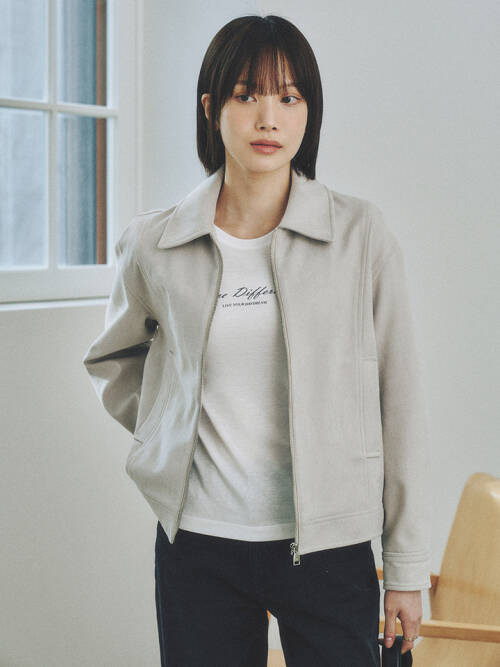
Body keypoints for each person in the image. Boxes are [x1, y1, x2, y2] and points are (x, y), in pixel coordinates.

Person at [83, 13, 432, 667]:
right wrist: (170, 431)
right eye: (247, 95)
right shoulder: (156, 243)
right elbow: (114, 358)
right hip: (198, 545)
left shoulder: (360, 236)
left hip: (329, 545)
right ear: (211, 108)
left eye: (289, 97)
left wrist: (406, 567)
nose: (269, 118)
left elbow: (401, 403)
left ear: (309, 112)